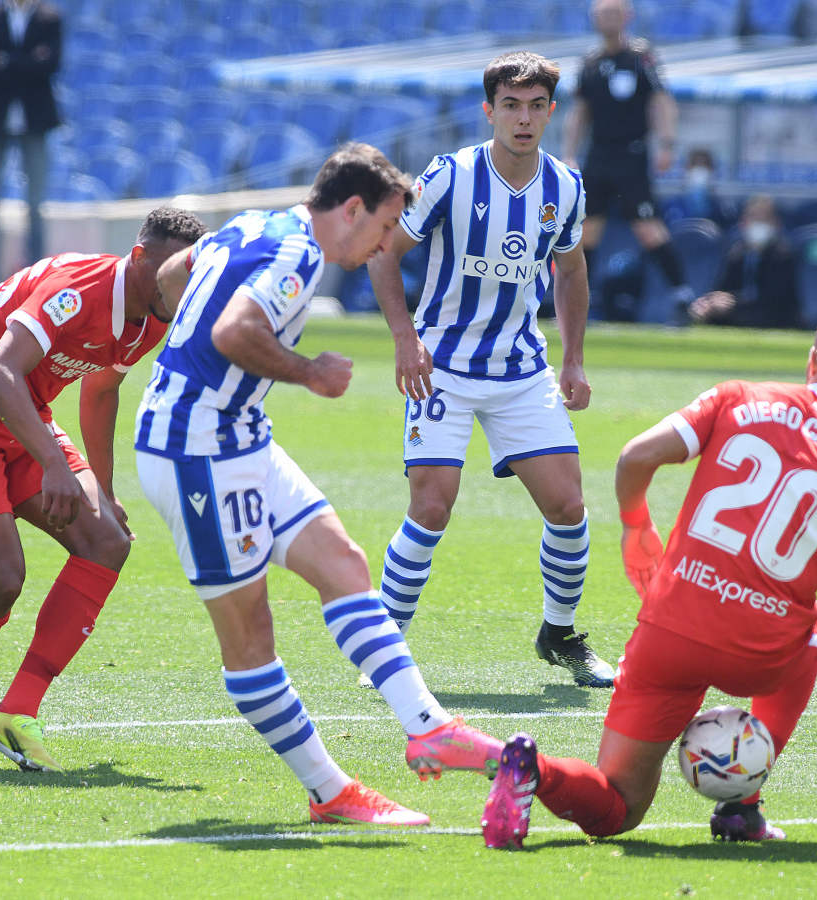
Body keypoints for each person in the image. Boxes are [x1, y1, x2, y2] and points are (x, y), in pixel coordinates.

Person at [481, 310, 817, 849]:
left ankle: (536, 770)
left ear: (814, 359)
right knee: (815, 622)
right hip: (758, 652)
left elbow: (636, 456)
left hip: (669, 633)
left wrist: (637, 527)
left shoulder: (736, 397)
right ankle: (742, 807)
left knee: (618, 808)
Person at [134, 144, 503, 826]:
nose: (387, 244)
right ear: (353, 209)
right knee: (251, 636)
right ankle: (330, 790)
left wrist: (198, 366)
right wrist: (308, 371)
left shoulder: (254, 222)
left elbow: (178, 272)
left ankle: (428, 727)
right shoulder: (299, 257)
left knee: (343, 564)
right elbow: (234, 327)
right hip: (194, 452)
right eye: (386, 228)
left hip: (238, 434)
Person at [0, 206, 204, 772]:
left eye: (191, 274)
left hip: (24, 416)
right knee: (2, 579)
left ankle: (17, 712)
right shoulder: (76, 288)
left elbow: (100, 390)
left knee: (108, 540)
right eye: (176, 273)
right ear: (140, 258)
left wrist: (105, 487)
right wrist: (54, 464)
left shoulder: (154, 313)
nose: (183, 288)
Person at [367, 51, 615, 688]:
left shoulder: (565, 185)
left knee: (568, 505)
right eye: (511, 105)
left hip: (520, 369)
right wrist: (404, 339)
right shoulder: (449, 175)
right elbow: (382, 254)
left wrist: (574, 358)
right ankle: (386, 649)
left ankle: (559, 636)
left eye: (536, 106)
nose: (524, 119)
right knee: (432, 509)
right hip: (440, 366)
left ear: (551, 112)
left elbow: (573, 270)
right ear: (490, 110)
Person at [562, 0, 696, 323]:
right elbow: (580, 111)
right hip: (598, 154)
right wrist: (569, 152)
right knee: (586, 232)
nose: (607, 19)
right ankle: (579, 305)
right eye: (601, 14)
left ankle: (682, 295)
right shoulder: (590, 62)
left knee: (648, 229)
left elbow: (662, 101)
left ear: (627, 17)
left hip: (632, 154)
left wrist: (666, 144)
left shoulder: (640, 58)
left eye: (613, 13)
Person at [0, 0, 63, 289]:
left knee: (35, 204)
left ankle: (37, 276)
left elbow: (51, 64)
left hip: (35, 119)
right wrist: (28, 61)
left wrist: (7, 61)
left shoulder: (50, 19)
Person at [689, 195, 802, 329]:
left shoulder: (783, 256)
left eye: (763, 218)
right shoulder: (736, 254)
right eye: (753, 217)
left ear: (776, 223)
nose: (757, 223)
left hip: (774, 321)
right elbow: (722, 290)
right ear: (743, 222)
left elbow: (773, 301)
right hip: (738, 317)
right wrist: (709, 303)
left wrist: (732, 304)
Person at [662, 147, 729, 227]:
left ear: (712, 171)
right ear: (686, 169)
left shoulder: (721, 208)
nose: (699, 170)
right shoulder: (671, 206)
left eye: (704, 165)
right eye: (695, 164)